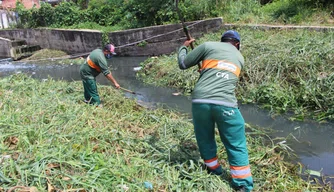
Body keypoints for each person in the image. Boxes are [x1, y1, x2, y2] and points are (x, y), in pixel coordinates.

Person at [177, 30, 253, 192]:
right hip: (225, 103)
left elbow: (183, 64)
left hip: (200, 101)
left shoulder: (207, 46)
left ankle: (213, 169)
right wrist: (207, 71)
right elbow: (225, 77)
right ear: (237, 44)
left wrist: (184, 48)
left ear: (222, 41)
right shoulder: (240, 58)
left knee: (204, 137)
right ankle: (242, 185)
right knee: (236, 143)